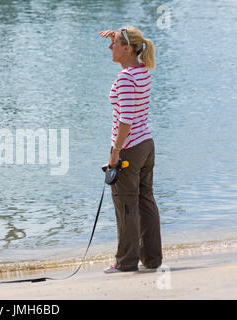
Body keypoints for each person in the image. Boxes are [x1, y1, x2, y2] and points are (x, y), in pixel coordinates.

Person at [99, 26, 162, 273]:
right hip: (146, 144)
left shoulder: (125, 79)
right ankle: (152, 260)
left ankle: (125, 262)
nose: (109, 47)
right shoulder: (141, 71)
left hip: (129, 148)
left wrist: (116, 151)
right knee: (145, 201)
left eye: (113, 43)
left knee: (126, 204)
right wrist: (119, 34)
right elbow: (131, 112)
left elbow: (125, 119)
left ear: (127, 48)